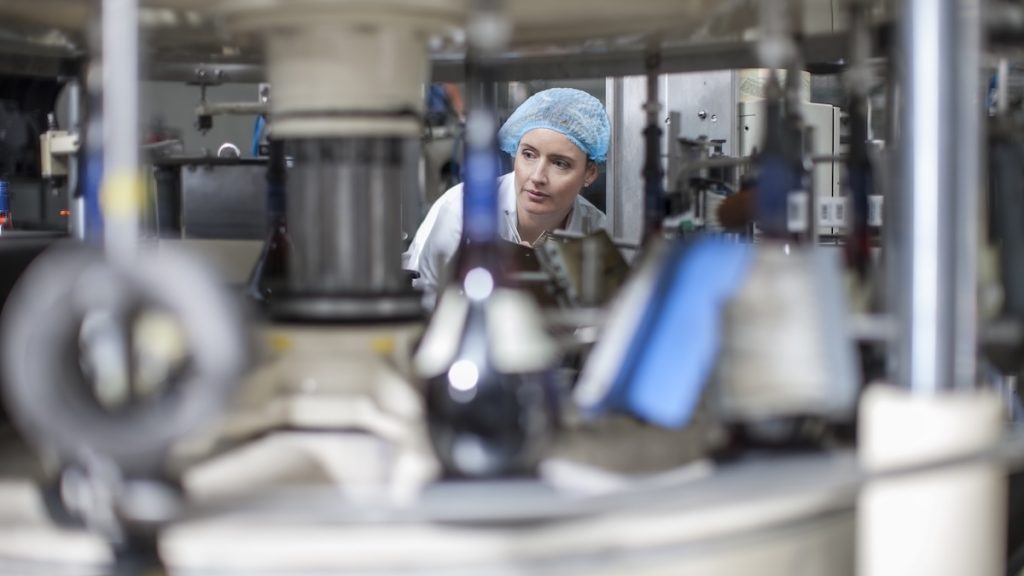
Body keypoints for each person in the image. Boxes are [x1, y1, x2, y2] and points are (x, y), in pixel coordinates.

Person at [403, 87, 610, 300]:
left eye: (559, 163)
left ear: (590, 173)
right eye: (529, 155)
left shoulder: (598, 233)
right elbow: (427, 303)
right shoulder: (462, 210)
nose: (538, 177)